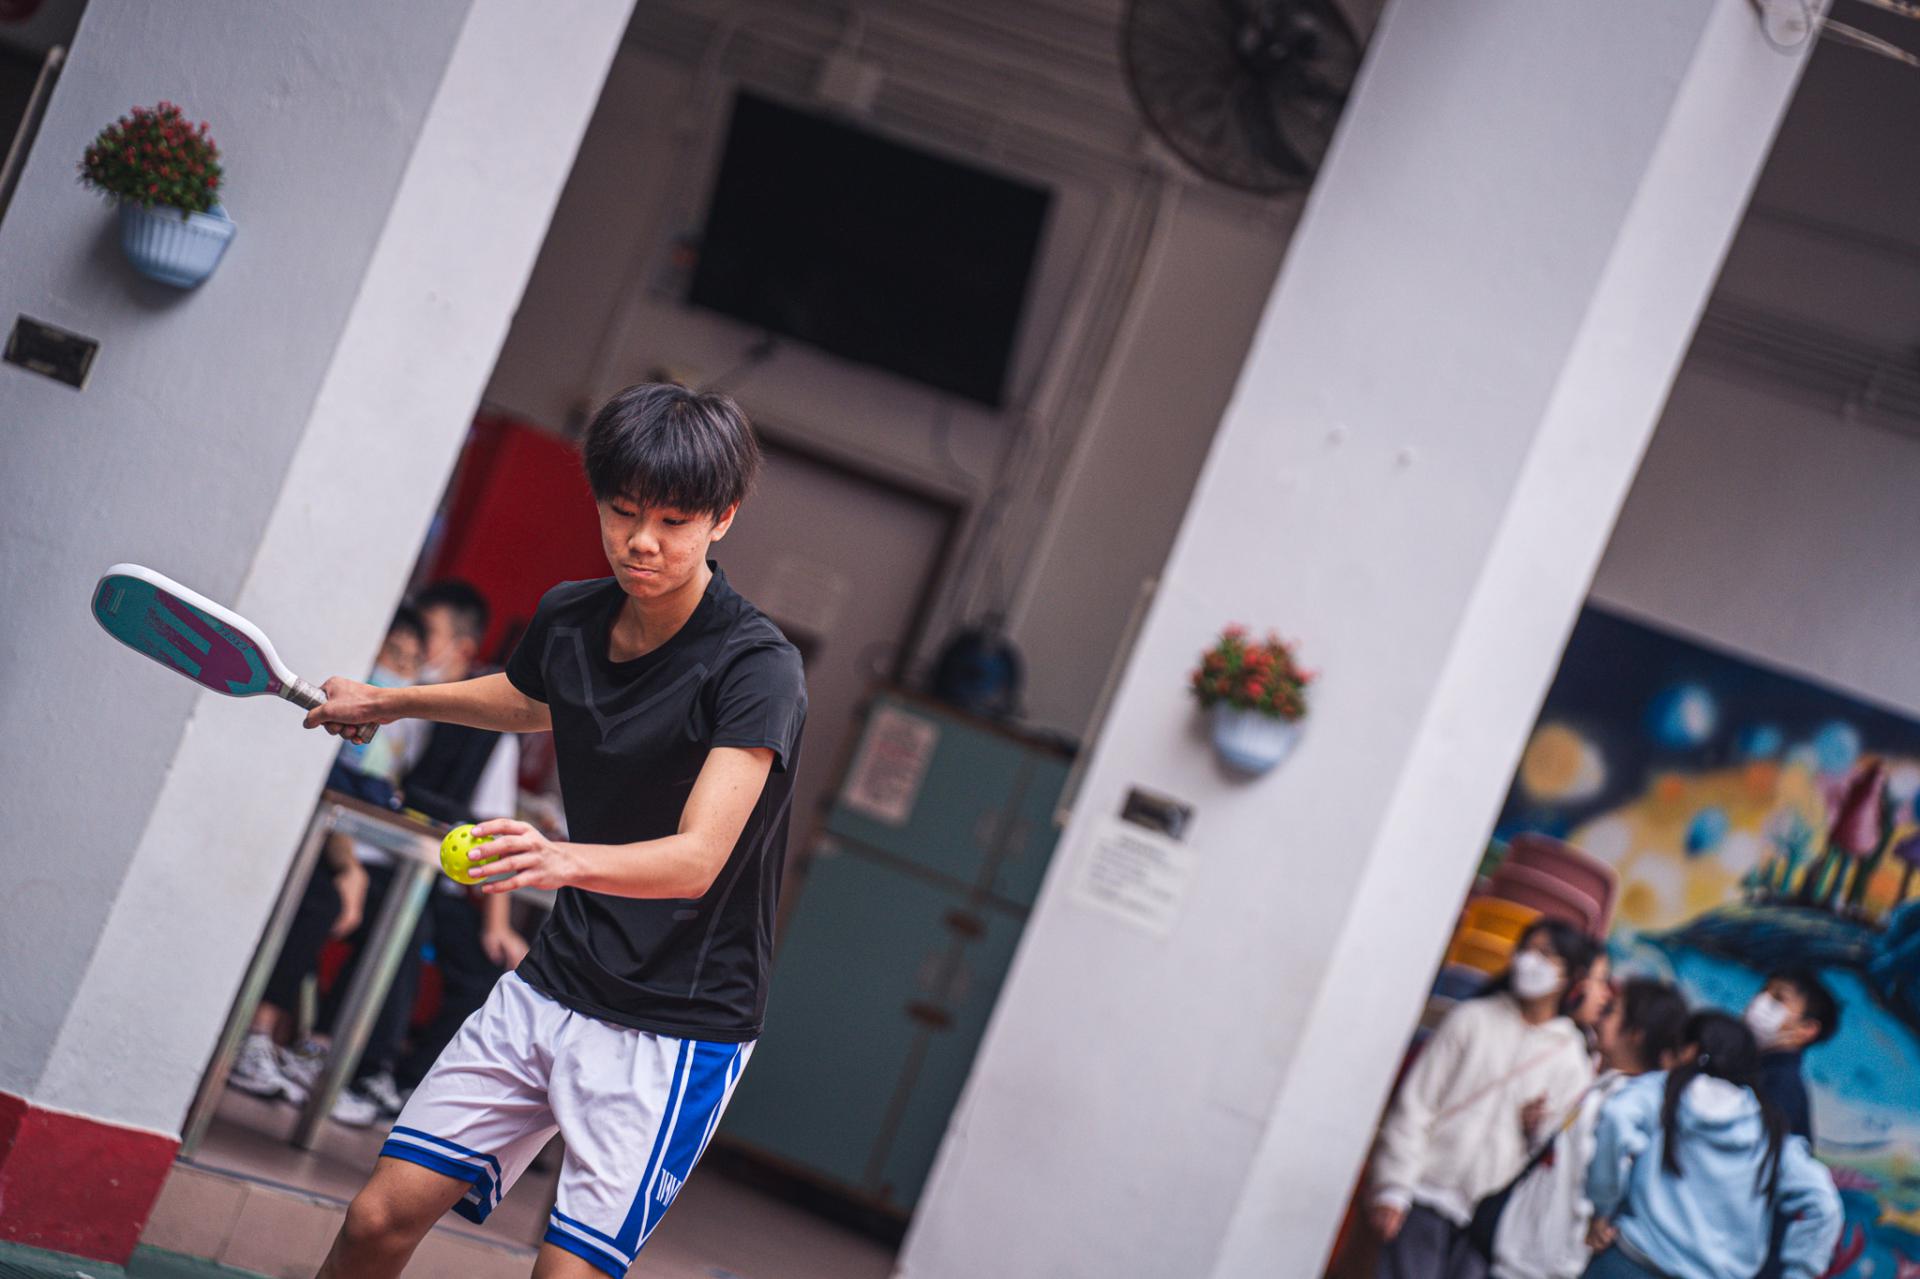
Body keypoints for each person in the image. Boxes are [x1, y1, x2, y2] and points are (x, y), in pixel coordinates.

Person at [303, 383, 807, 1279]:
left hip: (677, 1022)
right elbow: (533, 697)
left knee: (564, 1276)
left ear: (722, 519)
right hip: (555, 980)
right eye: (622, 512)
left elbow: (698, 860)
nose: (641, 540)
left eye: (672, 520)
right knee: (378, 1217)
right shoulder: (573, 614)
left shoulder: (756, 665)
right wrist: (388, 699)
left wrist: (556, 858)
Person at [314, 580, 527, 1120]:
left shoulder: (489, 730)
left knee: (484, 969)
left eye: (424, 637)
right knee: (399, 926)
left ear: (460, 650)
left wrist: (496, 923)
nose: (410, 646)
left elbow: (496, 828)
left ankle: (404, 1087)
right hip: (367, 859)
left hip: (433, 879)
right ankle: (351, 1066)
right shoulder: (386, 697)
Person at [227, 606, 424, 1111]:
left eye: (410, 661)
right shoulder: (329, 709)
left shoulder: (393, 739)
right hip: (310, 848)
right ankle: (256, 1035)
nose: (397, 669)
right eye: (391, 653)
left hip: (365, 856)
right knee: (321, 899)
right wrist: (348, 867)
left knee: (402, 922)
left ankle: (325, 1054)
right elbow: (324, 788)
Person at [1370, 919, 1601, 1279]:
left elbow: (1555, 1158)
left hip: (1489, 1222)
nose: (1530, 961)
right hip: (1426, 1193)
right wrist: (1394, 1186)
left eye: (1546, 955)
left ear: (1570, 975)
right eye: (1527, 949)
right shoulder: (1472, 1020)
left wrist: (1537, 1129)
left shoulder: (1571, 1059)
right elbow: (1416, 1104)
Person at [1583, 1011, 1842, 1279]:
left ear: (1691, 1051)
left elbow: (1616, 1116)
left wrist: (1603, 1207)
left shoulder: (1664, 1091)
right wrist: (1799, 1272)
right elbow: (1824, 1203)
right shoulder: (1770, 1131)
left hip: (1629, 1264)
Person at [1490, 978, 1690, 1279]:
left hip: (1550, 1263)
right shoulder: (1606, 1088)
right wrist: (1539, 1129)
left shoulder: (1625, 1108)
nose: (1599, 1016)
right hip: (1532, 1254)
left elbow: (1602, 1185)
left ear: (1636, 1034)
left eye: (1611, 1011)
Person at [1744, 967, 1839, 1144]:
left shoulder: (1781, 1085)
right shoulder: (1759, 1069)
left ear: (1807, 1029)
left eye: (1778, 999)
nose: (1761, 1002)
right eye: (1764, 991)